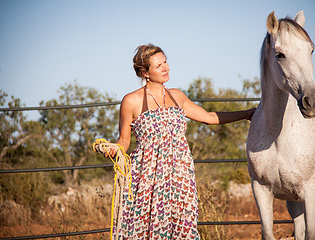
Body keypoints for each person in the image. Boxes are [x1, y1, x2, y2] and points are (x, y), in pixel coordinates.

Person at [109, 44, 256, 239]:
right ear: (145, 72)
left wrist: (247, 114)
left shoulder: (176, 96)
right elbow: (124, 140)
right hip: (147, 178)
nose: (165, 68)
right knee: (146, 229)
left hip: (180, 176)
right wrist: (114, 148)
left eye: (165, 62)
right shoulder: (131, 101)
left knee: (183, 225)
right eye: (158, 65)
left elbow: (209, 117)